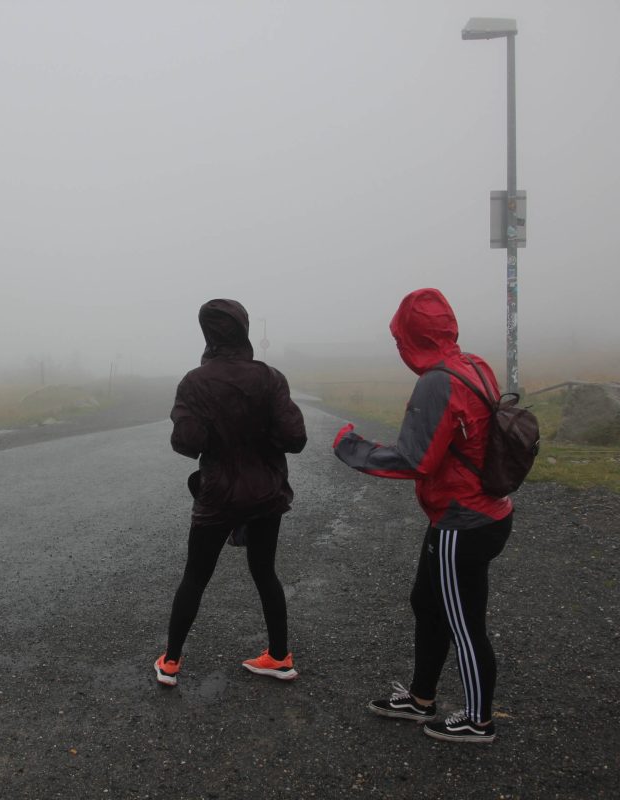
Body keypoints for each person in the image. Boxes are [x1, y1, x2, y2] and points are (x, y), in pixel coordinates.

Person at [332, 288, 513, 743]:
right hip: (478, 512)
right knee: (426, 602)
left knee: (464, 622)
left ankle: (478, 720)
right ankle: (420, 698)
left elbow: (415, 459)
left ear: (409, 336)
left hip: (462, 521)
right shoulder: (474, 364)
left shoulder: (437, 380)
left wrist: (351, 449)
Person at [154, 299, 307, 687]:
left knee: (196, 575)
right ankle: (278, 656)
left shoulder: (194, 382)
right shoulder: (271, 378)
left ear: (207, 333)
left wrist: (209, 426)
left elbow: (187, 443)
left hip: (217, 493)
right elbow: (295, 438)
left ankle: (171, 662)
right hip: (266, 493)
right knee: (264, 572)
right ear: (244, 329)